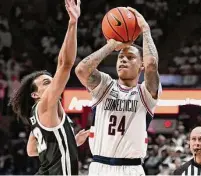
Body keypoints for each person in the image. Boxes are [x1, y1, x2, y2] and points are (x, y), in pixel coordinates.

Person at [75, 7, 162, 176]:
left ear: (141, 65)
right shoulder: (105, 85)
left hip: (131, 169)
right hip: (99, 166)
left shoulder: (145, 93)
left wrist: (145, 30)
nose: (123, 59)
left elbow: (152, 65)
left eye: (130, 57)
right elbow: (81, 70)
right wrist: (111, 46)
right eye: (121, 57)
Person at [9, 0, 89, 175]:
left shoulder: (37, 116)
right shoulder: (45, 105)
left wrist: (70, 143)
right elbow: (65, 64)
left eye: (52, 80)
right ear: (35, 95)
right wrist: (73, 23)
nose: (53, 83)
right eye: (46, 83)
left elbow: (32, 150)